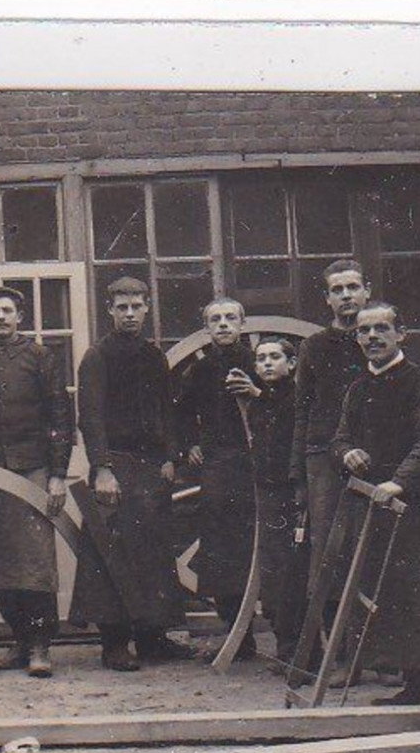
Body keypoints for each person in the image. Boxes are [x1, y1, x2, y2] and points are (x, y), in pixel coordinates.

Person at [331, 302, 420, 705]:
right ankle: (414, 684)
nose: (372, 338)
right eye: (364, 332)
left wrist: (399, 482)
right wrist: (347, 453)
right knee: (387, 593)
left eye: (381, 329)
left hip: (413, 505)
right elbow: (338, 439)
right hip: (373, 505)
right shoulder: (358, 388)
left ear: (400, 334)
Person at [68, 276, 192, 670]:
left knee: (153, 554)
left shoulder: (155, 357)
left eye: (136, 306)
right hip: (115, 467)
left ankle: (153, 639)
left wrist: (171, 456)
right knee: (112, 552)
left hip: (151, 468)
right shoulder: (96, 357)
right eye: (122, 307)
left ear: (147, 307)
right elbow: (90, 418)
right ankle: (114, 644)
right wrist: (101, 469)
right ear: (110, 310)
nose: (129, 314)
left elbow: (167, 410)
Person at [0, 286, 74, 678]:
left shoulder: (40, 357)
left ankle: (41, 645)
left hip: (34, 470)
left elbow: (60, 417)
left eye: (8, 310)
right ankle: (20, 641)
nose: (2, 317)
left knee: (35, 561)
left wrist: (57, 475)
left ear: (20, 317)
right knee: (1, 561)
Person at [178, 297, 258, 660]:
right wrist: (189, 443)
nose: (223, 325)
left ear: (242, 324)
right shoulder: (199, 371)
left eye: (230, 318)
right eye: (215, 320)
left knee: (259, 546)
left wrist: (257, 394)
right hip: (219, 468)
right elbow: (180, 413)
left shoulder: (259, 361)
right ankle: (238, 633)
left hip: (257, 466)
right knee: (222, 550)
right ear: (206, 328)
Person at [227, 336, 306, 670]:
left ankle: (304, 652)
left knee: (297, 574)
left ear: (292, 364)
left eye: (276, 357)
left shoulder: (300, 401)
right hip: (269, 496)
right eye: (261, 359)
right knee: (275, 575)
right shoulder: (259, 405)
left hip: (295, 495)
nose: (267, 363)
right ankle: (287, 648)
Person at [291, 259, 371, 581]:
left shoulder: (377, 339)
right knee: (327, 548)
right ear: (327, 299)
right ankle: (330, 627)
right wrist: (298, 473)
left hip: (372, 453)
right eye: (337, 290)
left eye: (353, 287)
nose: (346, 296)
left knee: (372, 543)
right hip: (323, 458)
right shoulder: (313, 347)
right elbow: (302, 410)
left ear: (366, 291)